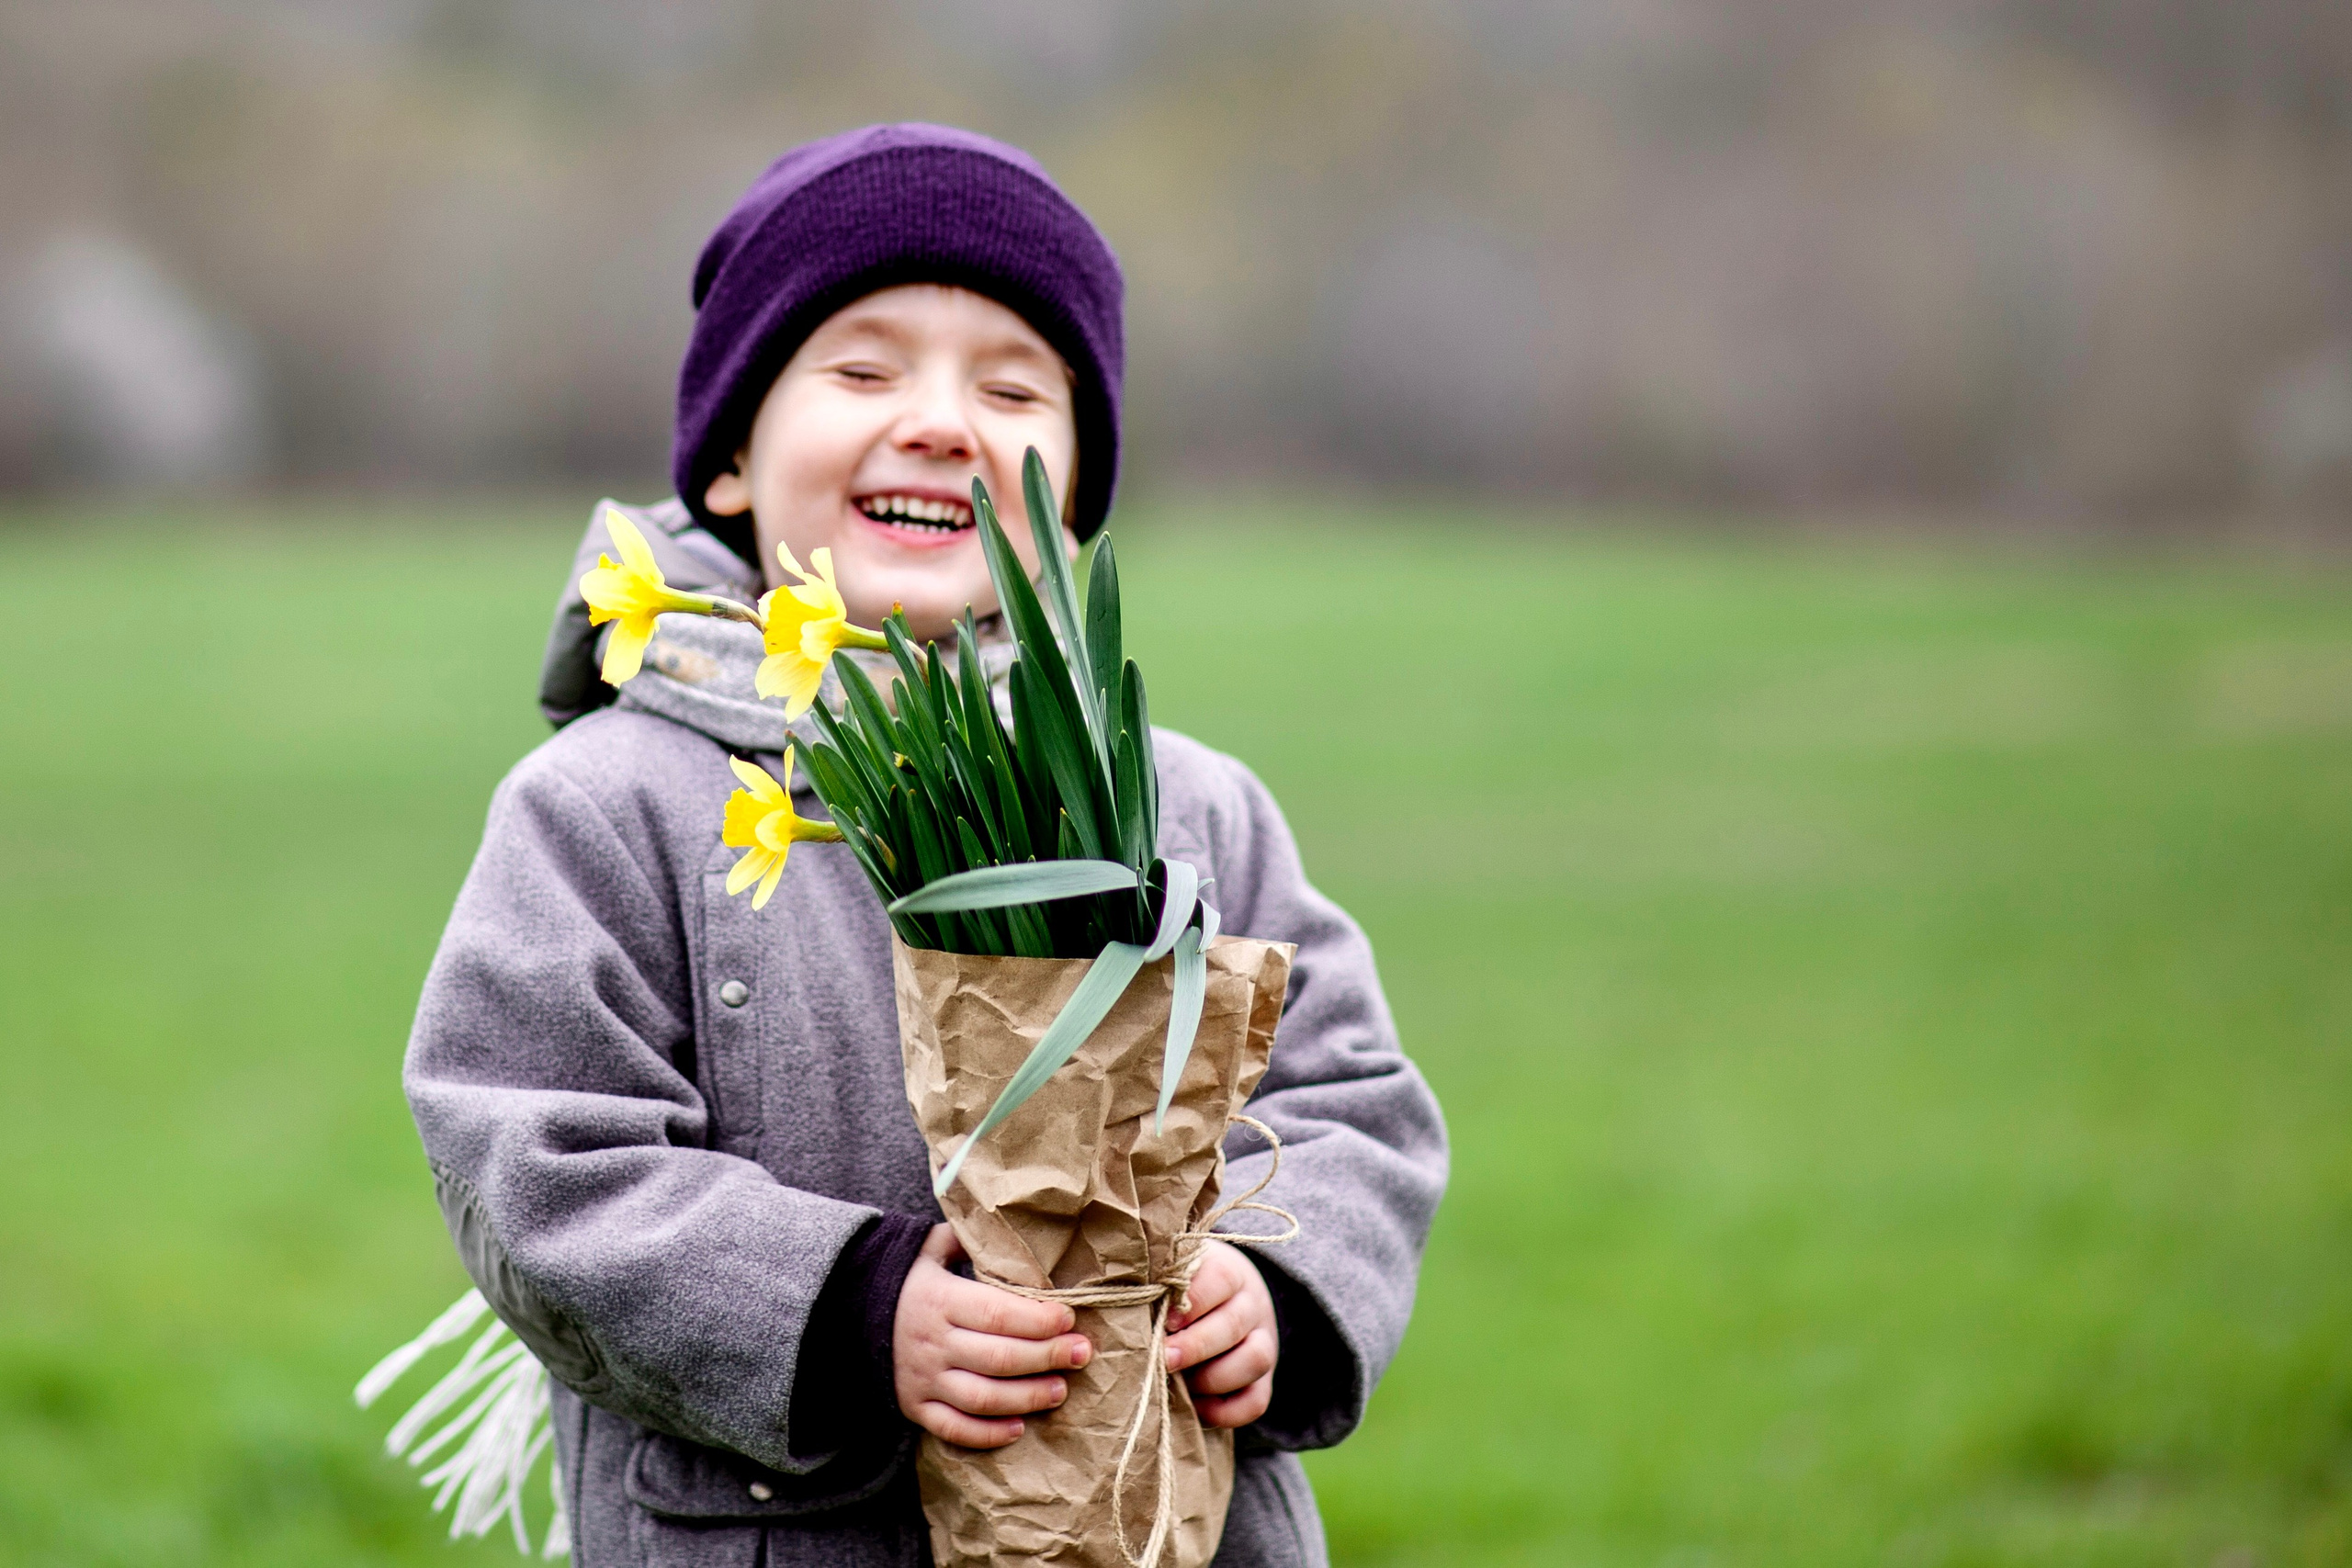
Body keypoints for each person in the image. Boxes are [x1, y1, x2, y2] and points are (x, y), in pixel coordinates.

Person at [405, 122, 1446, 1567]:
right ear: (729, 462)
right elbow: (530, 1156)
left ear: (1075, 495)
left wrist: (1279, 1282)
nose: (944, 421)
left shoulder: (1193, 807)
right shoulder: (610, 805)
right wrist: (847, 1310)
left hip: (1166, 1516)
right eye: (863, 368)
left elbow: (1357, 1103)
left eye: (1014, 386)